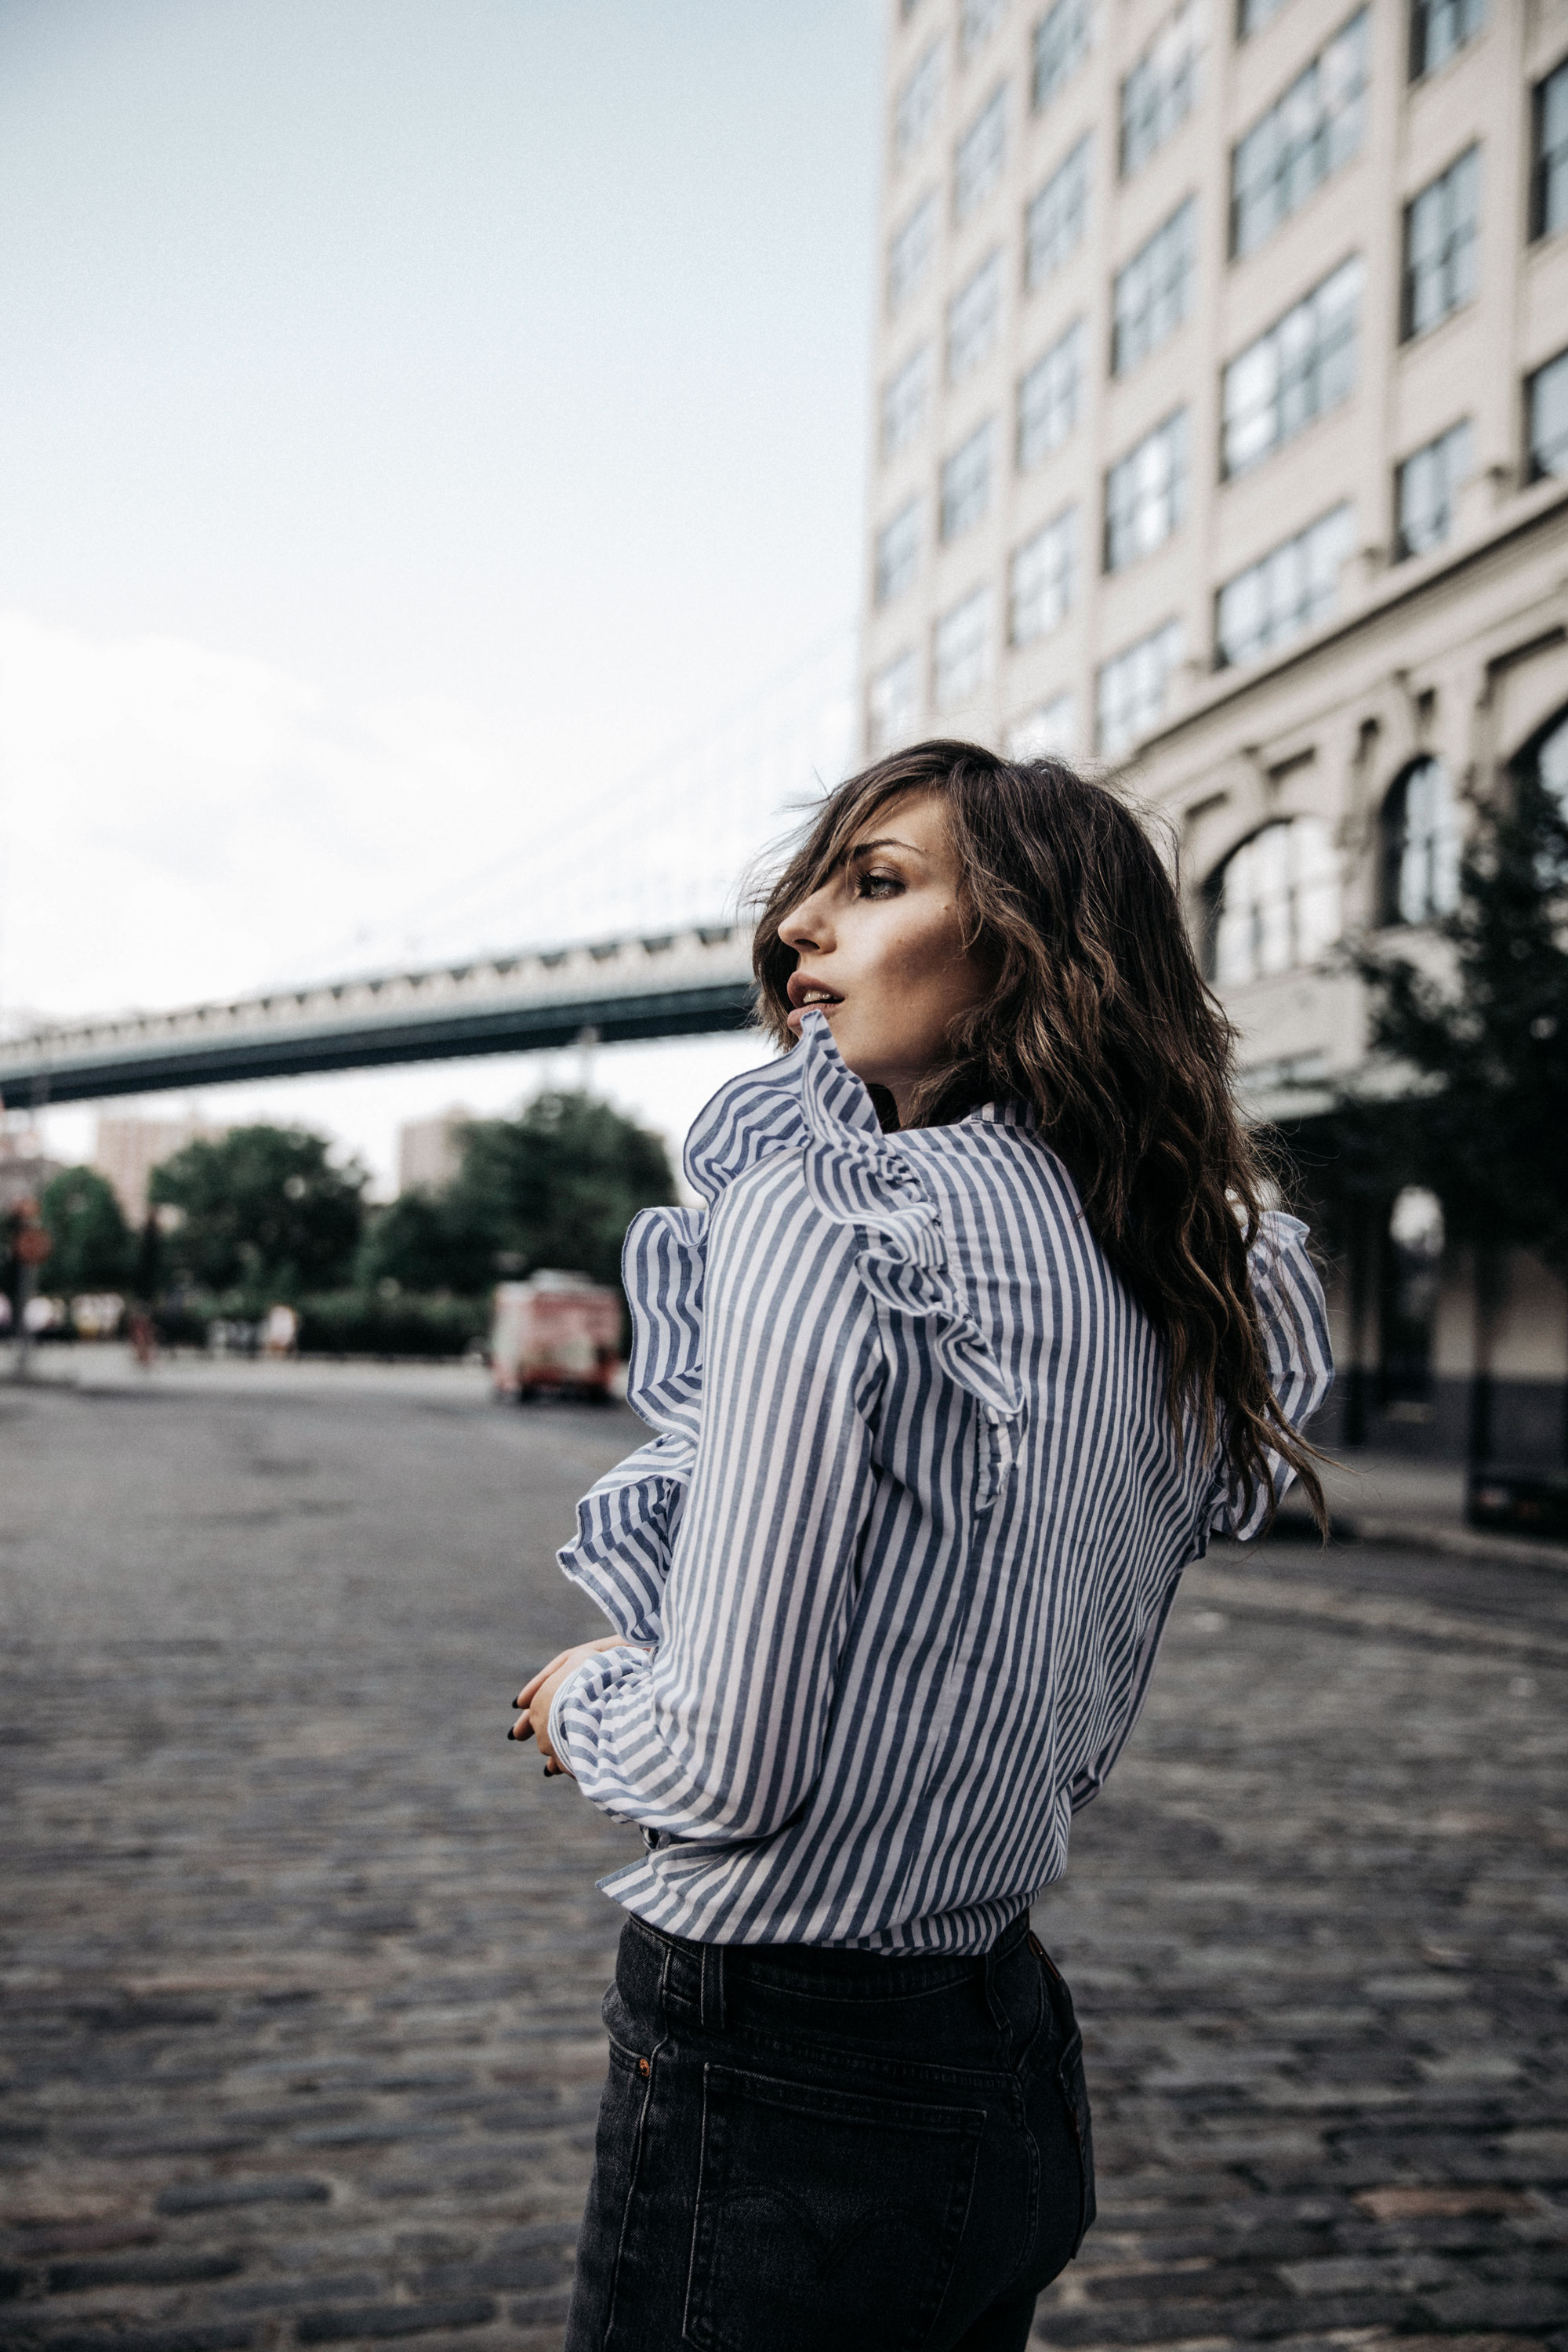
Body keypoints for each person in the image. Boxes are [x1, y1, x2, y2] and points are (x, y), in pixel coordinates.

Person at [511, 743, 1331, 2352]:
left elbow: (723, 1764)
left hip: (780, 2075)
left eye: (876, 883)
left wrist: (585, 1689)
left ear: (1027, 944)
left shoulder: (826, 1218)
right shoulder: (1159, 1272)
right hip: (998, 2053)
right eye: (812, 885)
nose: (794, 930)